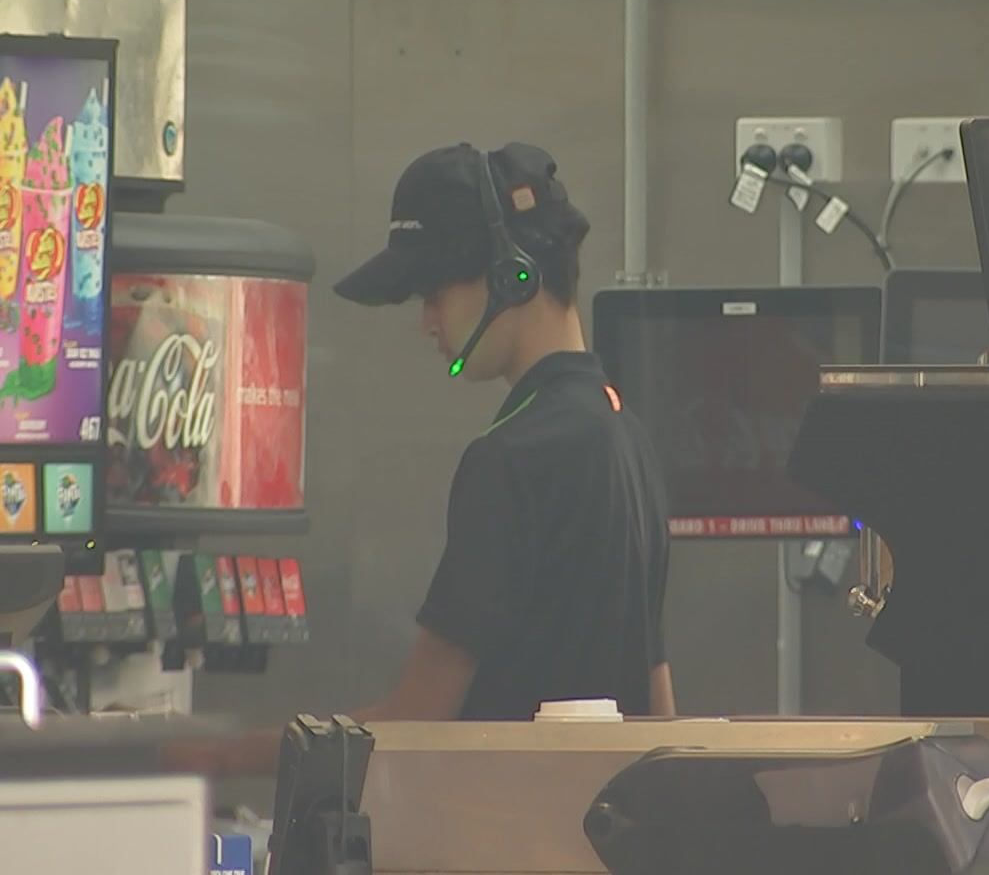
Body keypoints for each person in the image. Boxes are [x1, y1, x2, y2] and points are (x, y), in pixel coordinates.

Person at [175, 142, 674, 777]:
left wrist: (212, 756)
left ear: (513, 277)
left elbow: (417, 723)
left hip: (498, 823)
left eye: (434, 293)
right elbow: (658, 709)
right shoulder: (629, 438)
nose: (427, 322)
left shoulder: (511, 457)